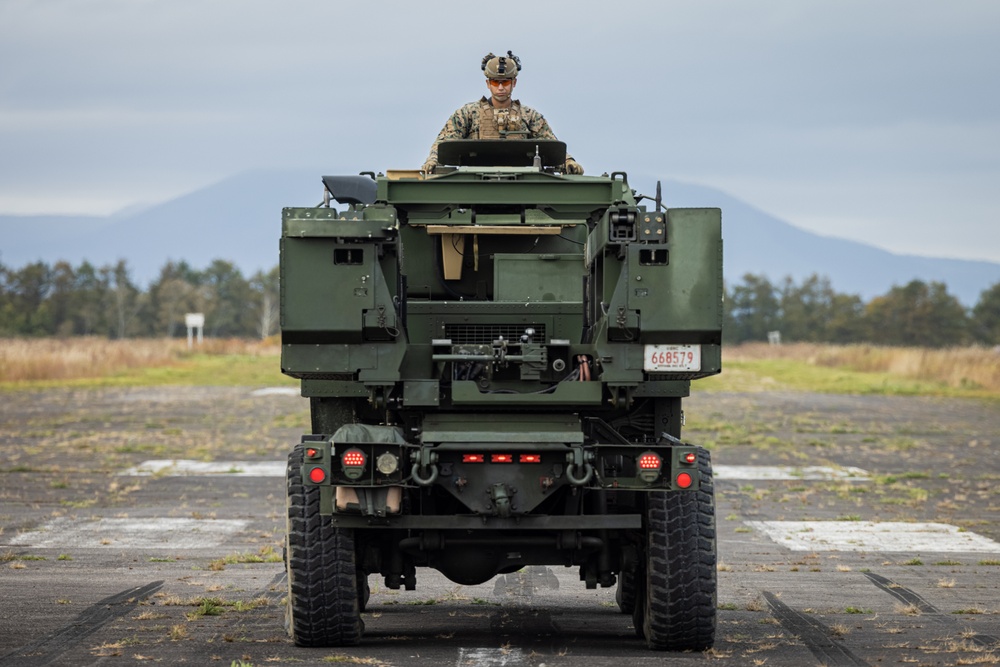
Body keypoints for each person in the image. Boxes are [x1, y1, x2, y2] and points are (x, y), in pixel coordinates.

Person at [422, 51, 584, 175]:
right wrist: (433, 160)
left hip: (522, 185)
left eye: (505, 82)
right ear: (488, 83)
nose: (501, 88)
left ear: (514, 83)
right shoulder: (467, 114)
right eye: (495, 82)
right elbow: (444, 143)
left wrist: (568, 161)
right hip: (474, 183)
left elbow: (551, 146)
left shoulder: (529, 116)